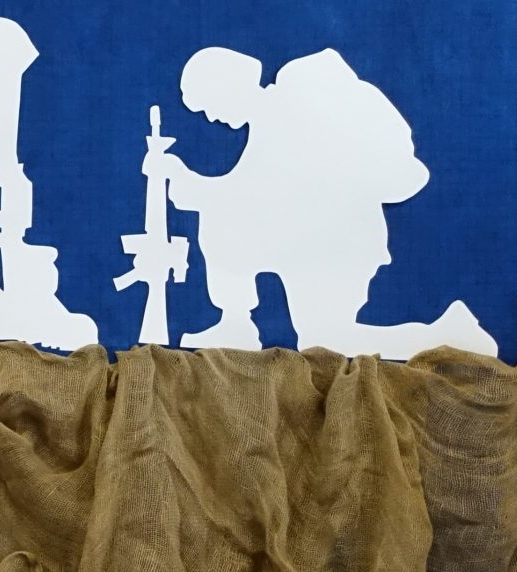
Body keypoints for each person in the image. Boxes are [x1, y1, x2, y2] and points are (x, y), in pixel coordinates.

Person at [147, 45, 490, 356]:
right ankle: (235, 321)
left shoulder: (286, 113)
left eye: (210, 105)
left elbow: (252, 194)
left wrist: (183, 180)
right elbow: (246, 196)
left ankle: (446, 336)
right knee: (222, 219)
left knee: (328, 342)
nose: (211, 117)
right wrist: (184, 180)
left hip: (336, 244)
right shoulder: (272, 118)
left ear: (230, 87)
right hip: (307, 243)